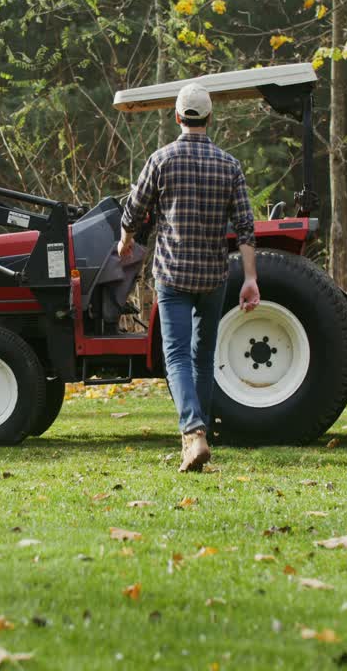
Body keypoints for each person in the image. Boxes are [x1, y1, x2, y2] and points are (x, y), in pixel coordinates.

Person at [117, 83, 259, 473]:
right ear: (209, 118)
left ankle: (193, 431)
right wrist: (250, 278)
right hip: (214, 276)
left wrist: (125, 242)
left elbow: (134, 210)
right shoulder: (229, 165)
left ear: (177, 117)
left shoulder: (161, 160)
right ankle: (196, 442)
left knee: (176, 355)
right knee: (202, 358)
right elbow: (246, 226)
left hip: (173, 275)